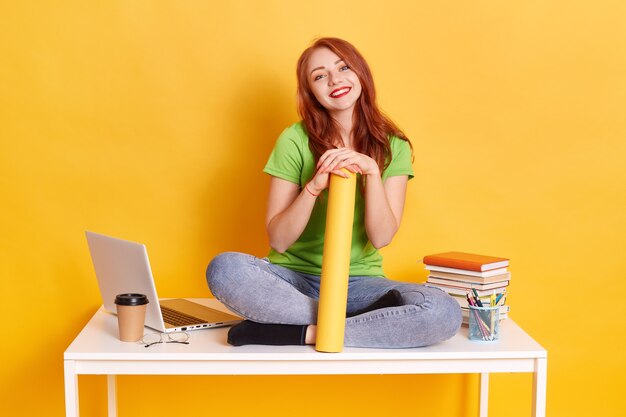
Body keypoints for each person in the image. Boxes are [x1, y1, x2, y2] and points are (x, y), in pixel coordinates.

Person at [206, 37, 461, 348]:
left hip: (361, 285)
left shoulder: (393, 146)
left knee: (443, 311)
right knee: (224, 269)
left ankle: (292, 332)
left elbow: (381, 237)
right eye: (319, 75)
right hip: (293, 280)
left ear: (361, 74)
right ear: (310, 91)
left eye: (343, 67)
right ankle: (355, 323)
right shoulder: (294, 140)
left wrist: (370, 174)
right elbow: (279, 239)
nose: (335, 79)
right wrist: (313, 187)